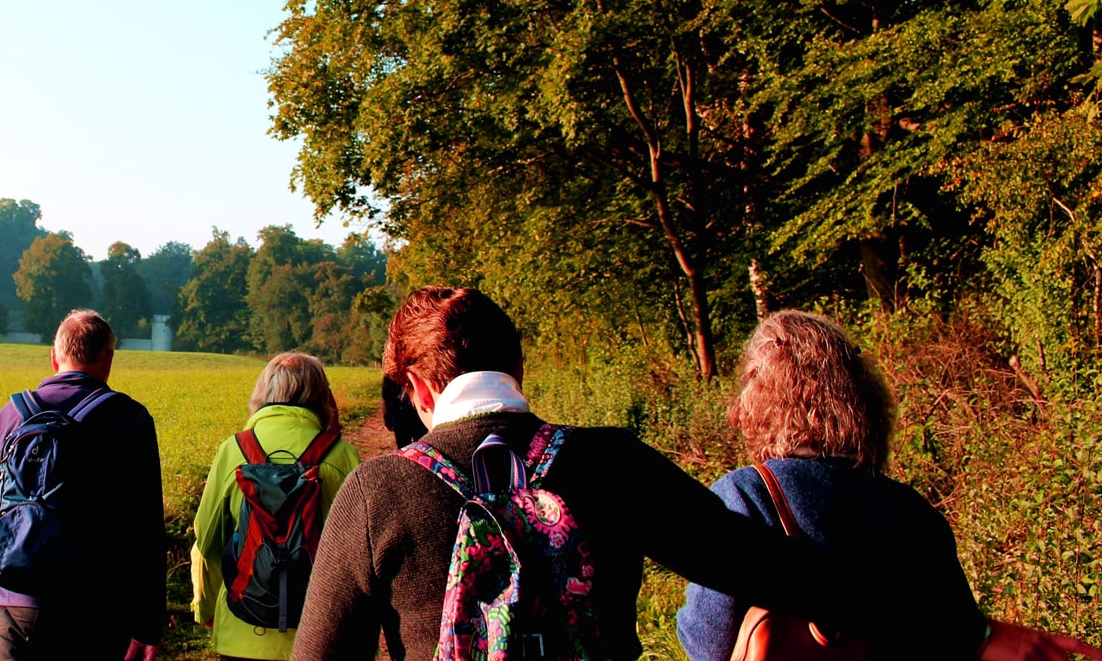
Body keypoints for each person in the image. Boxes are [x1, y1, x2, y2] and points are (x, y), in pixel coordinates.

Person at [290, 285, 1075, 661]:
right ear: (518, 366)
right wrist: (969, 631)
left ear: (419, 388)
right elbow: (780, 569)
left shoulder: (377, 491)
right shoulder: (612, 463)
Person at [678, 310, 1102, 661]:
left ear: (756, 401)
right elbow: (959, 639)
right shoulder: (914, 512)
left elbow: (706, 642)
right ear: (861, 398)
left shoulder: (746, 497)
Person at [0, 309, 165, 661]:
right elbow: (146, 531)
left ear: (54, 357)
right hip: (99, 610)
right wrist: (147, 624)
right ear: (108, 360)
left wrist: (16, 570)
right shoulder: (129, 418)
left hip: (19, 607)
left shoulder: (11, 415)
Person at [191, 352, 363, 660]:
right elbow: (361, 555)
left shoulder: (234, 450)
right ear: (321, 395)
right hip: (323, 637)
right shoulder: (342, 456)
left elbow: (206, 540)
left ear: (263, 392)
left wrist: (205, 610)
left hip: (243, 631)